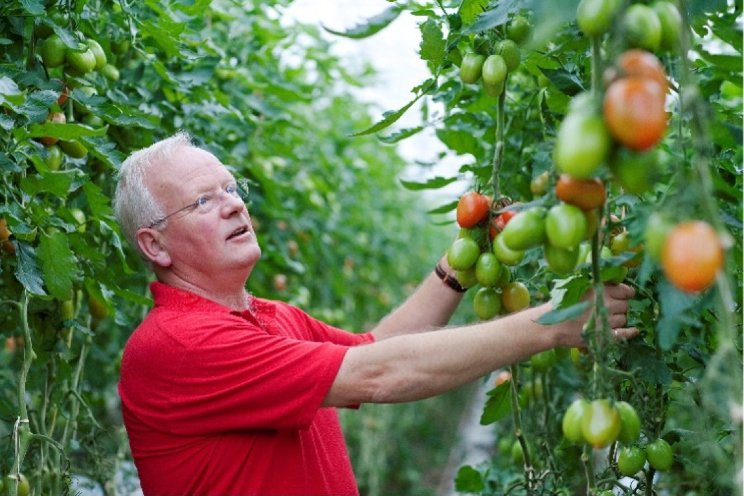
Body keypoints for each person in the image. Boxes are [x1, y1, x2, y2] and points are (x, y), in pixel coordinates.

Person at [114, 131, 636, 496]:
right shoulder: (177, 346)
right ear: (154, 245)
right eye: (203, 201)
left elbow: (375, 348)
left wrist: (459, 264)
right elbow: (381, 374)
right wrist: (552, 324)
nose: (233, 204)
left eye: (231, 188)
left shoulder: (273, 318)